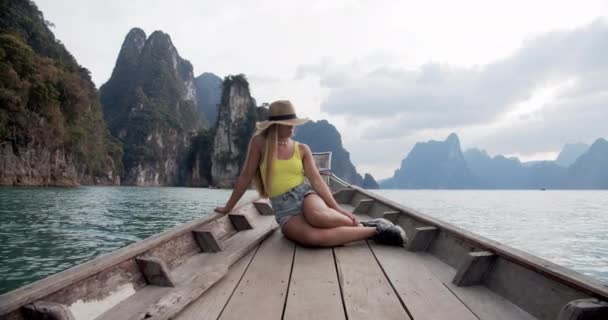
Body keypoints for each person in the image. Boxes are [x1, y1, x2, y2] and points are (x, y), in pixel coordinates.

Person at [215, 100, 406, 247]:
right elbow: (246, 175)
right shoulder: (259, 143)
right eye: (289, 124)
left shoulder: (302, 149)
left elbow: (317, 181)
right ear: (275, 125)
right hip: (284, 208)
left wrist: (337, 208)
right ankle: (372, 231)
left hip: (305, 194)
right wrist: (228, 207)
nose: (293, 127)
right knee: (312, 238)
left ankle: (370, 227)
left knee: (318, 217)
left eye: (293, 123)